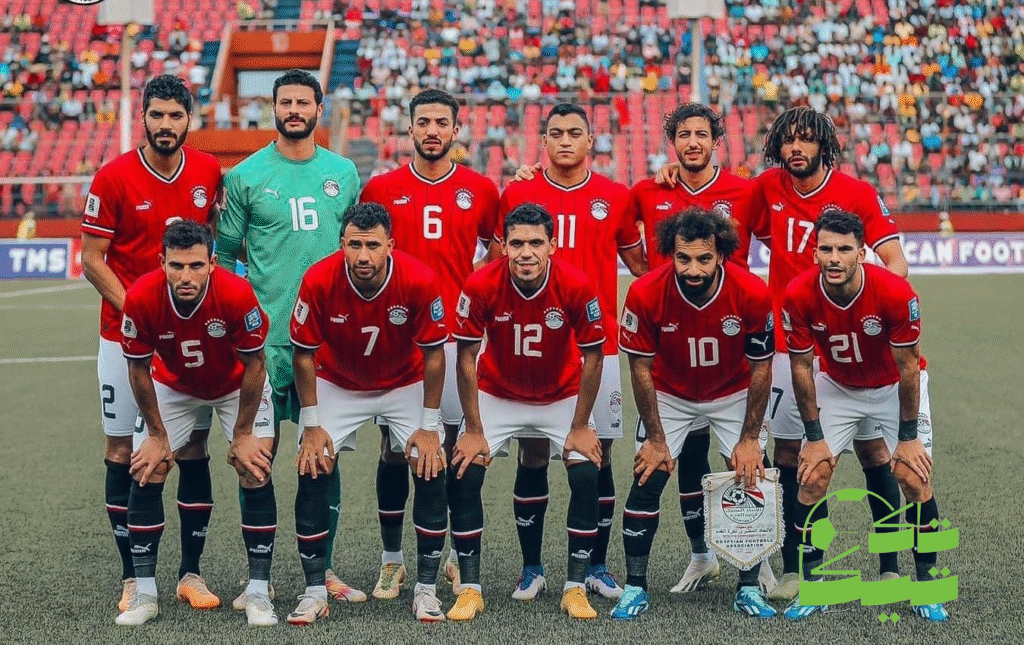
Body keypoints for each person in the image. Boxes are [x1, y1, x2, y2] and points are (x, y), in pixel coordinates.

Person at [487, 103, 647, 602]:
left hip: (599, 347)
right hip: (533, 344)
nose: (564, 140)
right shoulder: (519, 192)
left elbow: (642, 268)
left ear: (591, 140)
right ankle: (531, 568)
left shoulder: (615, 197)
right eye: (555, 133)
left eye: (574, 132)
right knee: (534, 451)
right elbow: (494, 261)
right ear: (543, 141)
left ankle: (595, 566)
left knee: (599, 455)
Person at [216, 69, 364, 607]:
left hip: (323, 346)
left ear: (319, 110)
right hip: (263, 345)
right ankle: (259, 576)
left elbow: (359, 247)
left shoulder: (343, 172)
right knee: (257, 459)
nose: (294, 110)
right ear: (273, 108)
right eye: (286, 102)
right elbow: (224, 255)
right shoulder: (246, 176)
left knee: (322, 458)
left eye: (304, 102)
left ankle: (322, 571)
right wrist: (235, 322)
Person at [751, 107, 910, 599]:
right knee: (789, 453)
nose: (795, 148)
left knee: (873, 452)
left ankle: (890, 566)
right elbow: (729, 220)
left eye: (805, 139)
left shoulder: (856, 193)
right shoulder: (767, 188)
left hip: (848, 349)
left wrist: (874, 315)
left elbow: (895, 263)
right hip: (789, 345)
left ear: (824, 144)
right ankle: (797, 567)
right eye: (787, 141)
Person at [81, 75, 223, 615]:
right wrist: (141, 315)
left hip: (189, 342)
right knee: (123, 451)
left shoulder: (208, 172)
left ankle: (191, 573)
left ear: (190, 119)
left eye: (175, 115)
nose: (165, 125)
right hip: (123, 339)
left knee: (192, 449)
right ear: (143, 117)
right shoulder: (113, 176)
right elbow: (92, 260)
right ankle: (132, 577)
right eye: (157, 115)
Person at [359, 88, 499, 600]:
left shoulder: (480, 189)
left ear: (456, 130)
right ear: (410, 128)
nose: (432, 131)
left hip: (458, 341)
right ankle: (392, 560)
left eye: (442, 122)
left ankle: (456, 560)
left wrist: (474, 291)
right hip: (399, 339)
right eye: (424, 122)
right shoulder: (381, 187)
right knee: (395, 450)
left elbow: (498, 251)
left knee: (456, 449)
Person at [781, 209, 947, 623]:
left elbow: (909, 368)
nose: (834, 258)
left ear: (861, 253)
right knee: (812, 475)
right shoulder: (798, 294)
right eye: (826, 249)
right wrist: (813, 436)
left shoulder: (895, 293)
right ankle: (813, 586)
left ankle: (927, 587)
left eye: (844, 249)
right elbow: (801, 367)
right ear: (814, 253)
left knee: (913, 477)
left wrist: (907, 437)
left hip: (893, 388)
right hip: (838, 386)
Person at [288, 203, 450, 624]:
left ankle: (426, 590)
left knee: (429, 463)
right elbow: (303, 354)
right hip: (338, 381)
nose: (363, 256)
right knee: (313, 463)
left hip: (403, 381)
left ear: (390, 245)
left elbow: (435, 355)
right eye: (354, 245)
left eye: (373, 246)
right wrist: (312, 425)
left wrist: (429, 427)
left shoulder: (419, 278)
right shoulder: (318, 279)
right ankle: (313, 591)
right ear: (341, 244)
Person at [612, 209, 776, 620]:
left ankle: (749, 587)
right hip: (670, 394)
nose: (693, 269)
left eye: (704, 258)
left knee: (751, 476)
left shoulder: (752, 291)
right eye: (683, 258)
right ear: (671, 254)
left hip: (733, 391)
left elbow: (761, 369)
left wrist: (750, 439)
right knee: (647, 476)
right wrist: (655, 439)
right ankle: (634, 587)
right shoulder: (645, 292)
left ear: (721, 255)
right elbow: (640, 370)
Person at [447, 203, 606, 622]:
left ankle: (574, 588)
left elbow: (594, 356)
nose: (526, 252)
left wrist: (579, 425)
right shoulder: (481, 284)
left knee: (586, 473)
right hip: (498, 392)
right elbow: (465, 357)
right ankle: (470, 589)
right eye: (516, 243)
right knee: (465, 471)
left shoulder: (575, 283)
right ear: (503, 246)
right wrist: (474, 429)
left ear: (552, 245)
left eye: (536, 243)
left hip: (561, 394)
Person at [114, 221, 276, 626]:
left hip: (235, 385)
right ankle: (145, 594)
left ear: (213, 263)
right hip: (174, 384)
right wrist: (156, 435)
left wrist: (243, 434)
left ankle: (259, 591)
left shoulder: (236, 294)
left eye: (196, 266)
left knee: (255, 468)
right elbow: (137, 370)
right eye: (177, 266)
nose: (186, 276)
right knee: (148, 467)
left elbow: (256, 365)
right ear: (162, 262)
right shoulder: (141, 296)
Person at [628, 103, 756, 270]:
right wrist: (651, 276)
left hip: (728, 288)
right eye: (684, 135)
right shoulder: (646, 192)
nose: (693, 143)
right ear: (673, 142)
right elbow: (618, 230)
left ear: (715, 142)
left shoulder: (746, 191)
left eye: (701, 134)